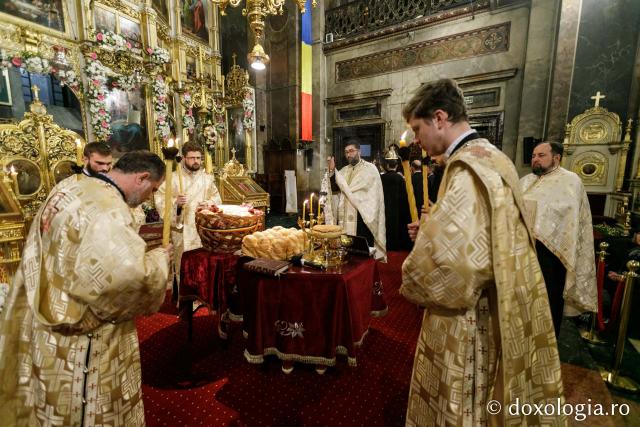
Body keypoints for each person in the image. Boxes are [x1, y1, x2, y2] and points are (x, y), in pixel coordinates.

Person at [400, 79, 564, 425]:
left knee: (465, 398)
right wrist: (434, 229)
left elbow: (457, 267)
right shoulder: (492, 157)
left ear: (440, 118)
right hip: (500, 295)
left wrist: (419, 261)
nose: (416, 139)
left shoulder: (465, 169)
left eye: (417, 128)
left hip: (470, 313)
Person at [0, 150, 173, 425]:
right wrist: (160, 259)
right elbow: (127, 278)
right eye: (152, 189)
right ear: (142, 177)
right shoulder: (109, 209)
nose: (150, 198)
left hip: (47, 310)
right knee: (85, 408)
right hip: (86, 335)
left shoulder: (71, 185)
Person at [520, 141, 597, 336]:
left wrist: (539, 229)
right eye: (533, 155)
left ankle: (547, 340)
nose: (535, 159)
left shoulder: (570, 181)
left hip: (551, 253)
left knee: (548, 299)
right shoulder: (526, 180)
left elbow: (569, 217)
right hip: (522, 250)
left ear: (556, 158)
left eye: (541, 155)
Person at [154, 141, 221, 281]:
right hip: (181, 230)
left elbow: (216, 199)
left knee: (203, 265)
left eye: (198, 158)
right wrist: (176, 204)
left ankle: (202, 296)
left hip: (202, 230)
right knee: (183, 265)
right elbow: (160, 199)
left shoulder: (207, 179)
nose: (196, 161)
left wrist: (209, 203)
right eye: (192, 158)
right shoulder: (172, 178)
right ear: (184, 158)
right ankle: (184, 298)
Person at [325, 139, 386, 261]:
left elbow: (374, 195)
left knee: (362, 253)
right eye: (346, 152)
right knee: (348, 252)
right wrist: (332, 172)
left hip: (362, 217)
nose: (348, 154)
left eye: (351, 151)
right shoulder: (343, 170)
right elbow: (335, 190)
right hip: (345, 217)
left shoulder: (370, 169)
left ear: (359, 151)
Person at [380, 149, 412, 251]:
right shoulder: (401, 179)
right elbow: (405, 199)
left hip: (384, 211)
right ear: (397, 165)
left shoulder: (381, 178)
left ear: (386, 165)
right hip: (398, 213)